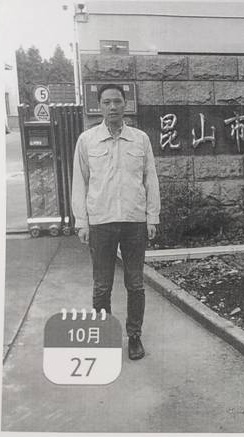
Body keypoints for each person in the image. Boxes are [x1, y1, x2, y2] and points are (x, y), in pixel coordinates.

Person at [71, 83, 160, 360]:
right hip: (101, 222)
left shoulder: (140, 139)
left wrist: (152, 217)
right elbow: (80, 182)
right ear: (99, 106)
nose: (112, 107)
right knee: (102, 286)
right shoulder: (87, 140)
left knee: (135, 284)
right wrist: (82, 221)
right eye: (107, 102)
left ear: (126, 104)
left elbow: (150, 178)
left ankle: (134, 336)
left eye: (117, 101)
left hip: (134, 220)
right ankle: (105, 338)